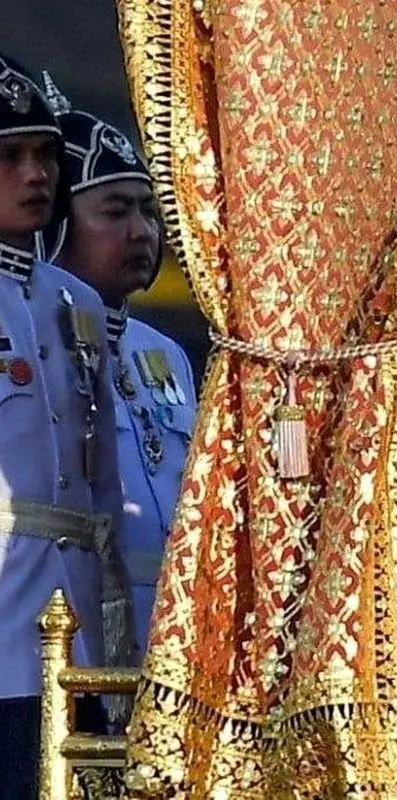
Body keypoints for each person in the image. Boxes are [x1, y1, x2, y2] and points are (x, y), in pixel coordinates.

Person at [0, 52, 126, 797]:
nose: (35, 175)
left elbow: (102, 484)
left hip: (76, 614)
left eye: (45, 156)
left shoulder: (77, 302)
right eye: (10, 157)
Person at [44, 76, 196, 661]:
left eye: (148, 210)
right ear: (57, 226)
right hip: (65, 634)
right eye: (115, 211)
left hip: (171, 642)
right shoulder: (30, 343)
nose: (141, 231)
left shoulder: (165, 353)